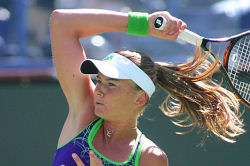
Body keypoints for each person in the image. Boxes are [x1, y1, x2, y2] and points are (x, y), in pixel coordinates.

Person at [49, 9, 245, 166]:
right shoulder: (84, 111)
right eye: (99, 80)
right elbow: (61, 23)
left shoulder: (150, 159)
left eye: (111, 84)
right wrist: (144, 24)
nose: (99, 89)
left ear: (140, 98)